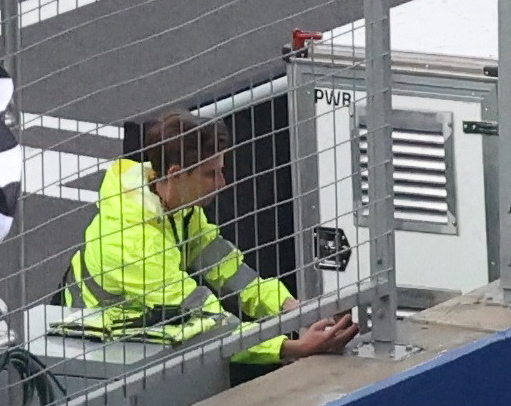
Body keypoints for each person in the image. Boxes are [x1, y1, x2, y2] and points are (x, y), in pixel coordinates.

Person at [60, 106, 359, 371]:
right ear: (176, 174)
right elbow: (207, 323)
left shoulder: (175, 206)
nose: (222, 183)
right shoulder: (134, 244)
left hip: (136, 330)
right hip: (95, 347)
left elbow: (230, 271)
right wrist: (294, 348)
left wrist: (294, 308)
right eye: (210, 174)